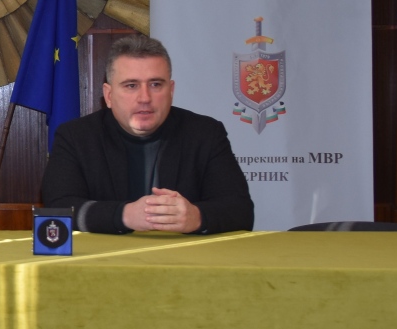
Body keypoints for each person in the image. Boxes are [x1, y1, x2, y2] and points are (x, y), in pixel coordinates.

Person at [40, 33, 253, 234]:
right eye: (131, 85)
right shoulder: (76, 137)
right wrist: (124, 215)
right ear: (109, 95)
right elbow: (57, 208)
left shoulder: (206, 134)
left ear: (171, 91)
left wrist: (196, 217)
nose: (145, 98)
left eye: (155, 84)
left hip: (183, 257)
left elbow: (241, 211)